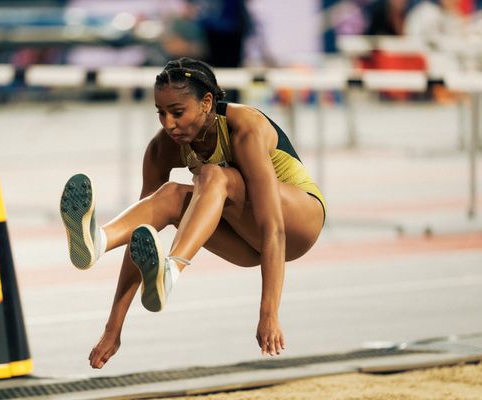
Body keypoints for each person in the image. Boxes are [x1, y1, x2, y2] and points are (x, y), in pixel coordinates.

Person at [60, 57, 326, 369]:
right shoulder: (162, 149)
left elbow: (274, 229)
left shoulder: (245, 127)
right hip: (246, 241)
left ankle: (170, 271)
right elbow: (140, 236)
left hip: (298, 223)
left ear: (206, 103)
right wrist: (113, 329)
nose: (168, 124)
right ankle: (99, 241)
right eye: (160, 113)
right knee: (170, 195)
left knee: (214, 175)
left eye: (177, 112)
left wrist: (269, 312)